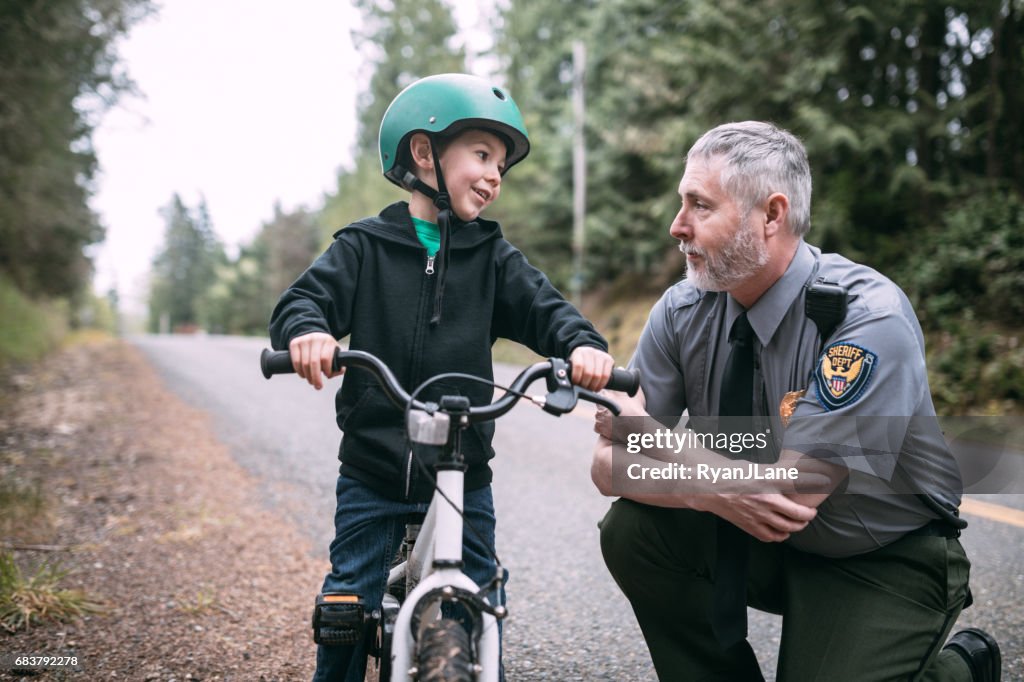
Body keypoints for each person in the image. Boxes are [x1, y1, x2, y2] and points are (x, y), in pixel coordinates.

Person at [591, 121, 1001, 681]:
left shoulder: (866, 316)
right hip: (763, 541)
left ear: (772, 215)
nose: (676, 225)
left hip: (881, 556)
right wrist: (725, 491)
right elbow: (607, 467)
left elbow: (791, 494)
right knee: (633, 532)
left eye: (700, 205)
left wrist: (646, 435)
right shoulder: (683, 309)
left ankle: (958, 670)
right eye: (681, 203)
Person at [269, 73, 615, 681]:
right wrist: (308, 333)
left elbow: (548, 312)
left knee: (481, 606)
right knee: (348, 601)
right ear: (423, 153)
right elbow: (304, 302)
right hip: (375, 469)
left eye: (501, 164)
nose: (494, 175)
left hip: (463, 473)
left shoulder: (494, 259)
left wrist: (582, 345)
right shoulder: (364, 248)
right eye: (481, 154)